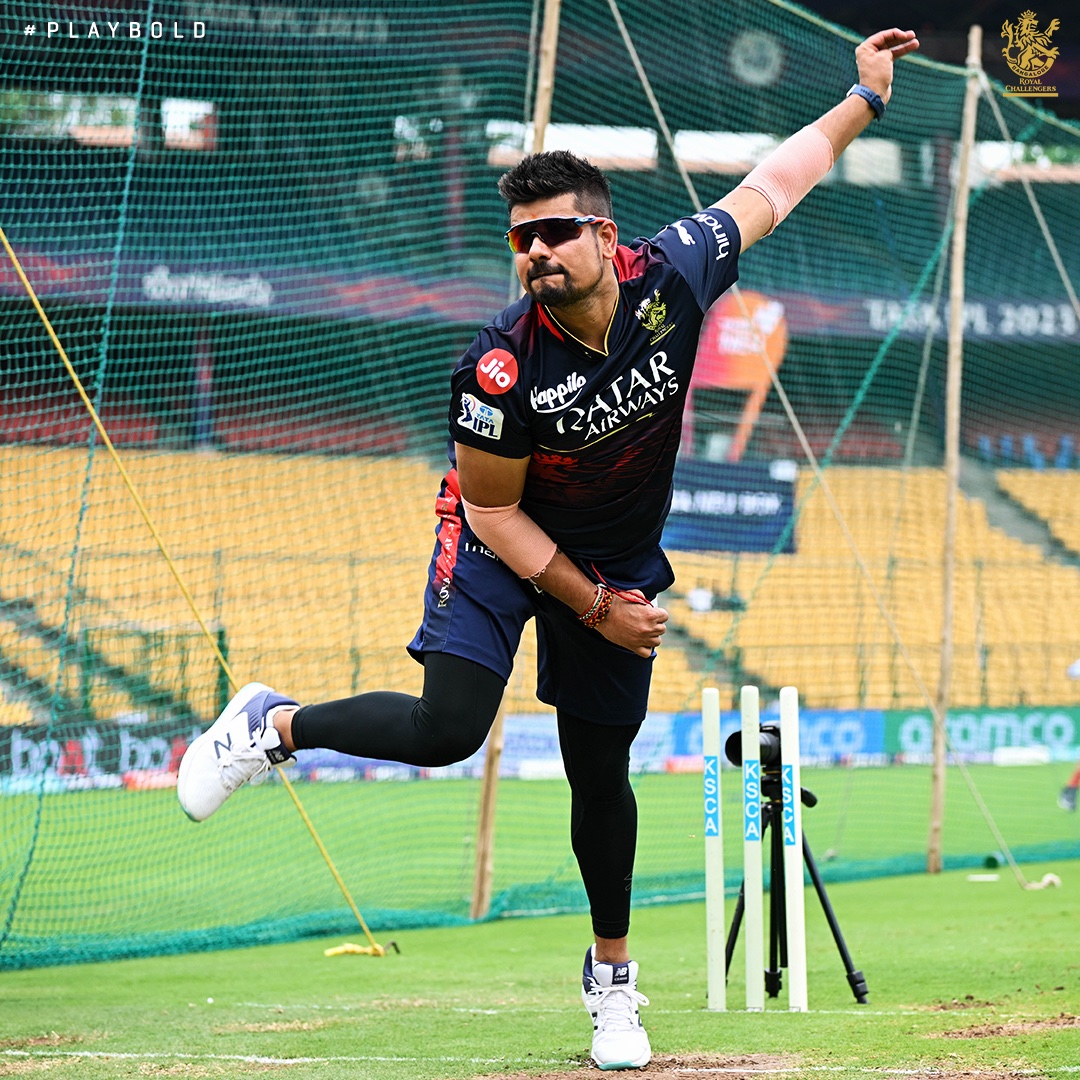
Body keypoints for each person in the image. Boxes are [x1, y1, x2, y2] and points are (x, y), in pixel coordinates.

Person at [178, 28, 919, 1071]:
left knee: (597, 771)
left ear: (606, 238)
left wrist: (863, 101)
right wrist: (593, 605)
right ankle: (273, 725)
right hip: (498, 540)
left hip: (615, 555)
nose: (534, 251)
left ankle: (612, 985)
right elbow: (493, 518)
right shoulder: (496, 370)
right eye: (520, 236)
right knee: (448, 729)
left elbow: (776, 181)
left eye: (555, 232)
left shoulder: (673, 278)